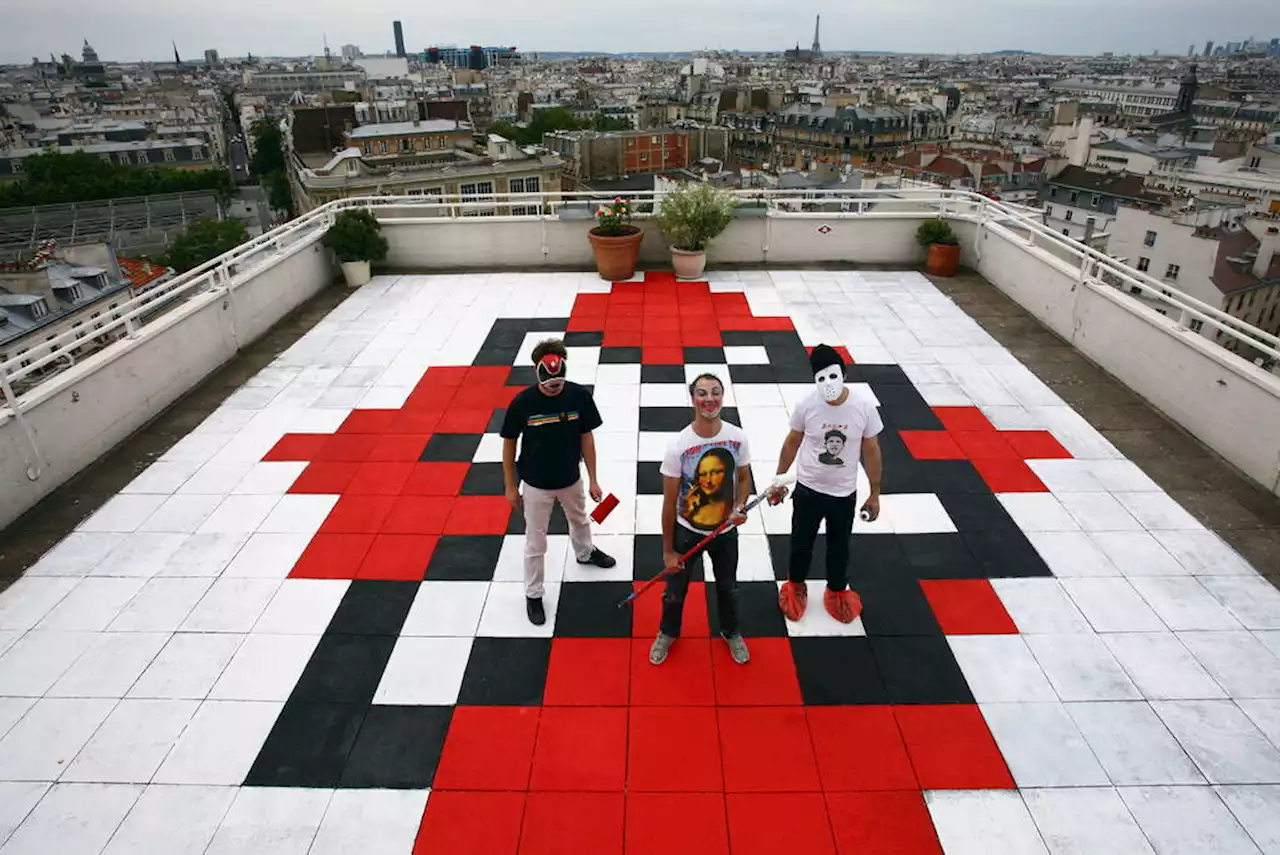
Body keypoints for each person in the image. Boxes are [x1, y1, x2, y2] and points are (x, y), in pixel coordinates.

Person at [501, 339, 616, 625]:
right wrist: (510, 486)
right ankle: (534, 593)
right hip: (536, 484)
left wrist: (594, 479)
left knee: (580, 519)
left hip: (571, 479)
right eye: (550, 383)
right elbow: (508, 444)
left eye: (559, 382)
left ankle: (585, 553)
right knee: (535, 540)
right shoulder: (522, 403)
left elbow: (586, 437)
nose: (555, 387)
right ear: (537, 371)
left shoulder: (578, 396)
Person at [768, 344, 883, 624]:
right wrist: (779, 480)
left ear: (843, 374)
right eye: (821, 378)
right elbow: (792, 441)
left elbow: (871, 450)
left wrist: (875, 493)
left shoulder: (863, 407)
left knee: (839, 546)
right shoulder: (807, 406)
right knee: (801, 543)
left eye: (833, 375)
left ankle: (836, 590)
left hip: (844, 493)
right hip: (808, 489)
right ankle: (795, 586)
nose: (828, 384)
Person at [652, 373, 753, 666]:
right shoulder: (678, 446)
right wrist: (668, 551)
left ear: (723, 396)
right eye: (702, 393)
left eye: (715, 392)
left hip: (724, 532)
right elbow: (669, 503)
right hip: (686, 533)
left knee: (728, 587)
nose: (709, 399)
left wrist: (740, 506)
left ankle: (730, 631)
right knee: (675, 592)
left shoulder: (737, 438)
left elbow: (744, 478)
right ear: (693, 399)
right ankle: (667, 632)